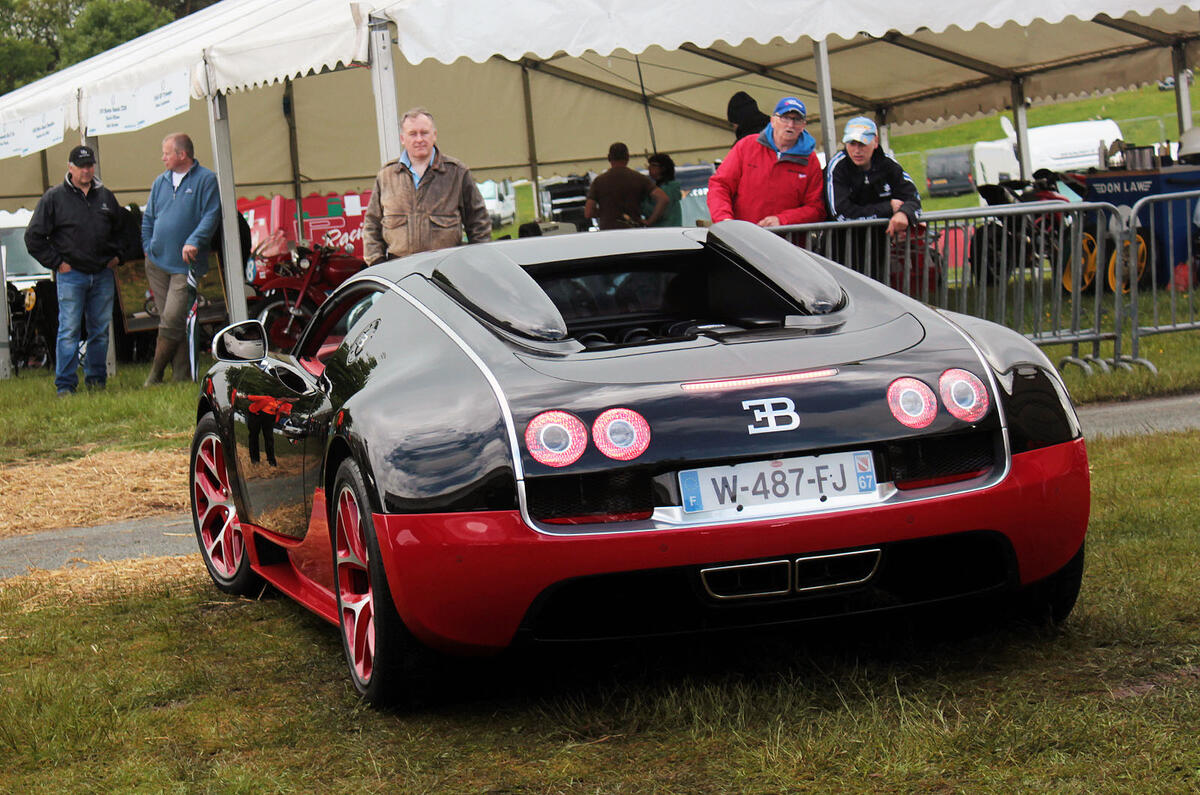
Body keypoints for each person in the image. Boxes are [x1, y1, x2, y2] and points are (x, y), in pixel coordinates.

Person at [24, 144, 124, 396]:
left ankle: (96, 383)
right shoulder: (54, 198)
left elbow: (124, 230)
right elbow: (33, 237)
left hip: (102, 273)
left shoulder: (106, 197)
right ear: (70, 168)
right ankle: (65, 386)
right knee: (68, 330)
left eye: (90, 165)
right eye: (81, 166)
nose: (87, 170)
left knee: (100, 331)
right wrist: (57, 263)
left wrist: (117, 256)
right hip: (71, 275)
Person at [141, 132, 222, 385]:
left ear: (182, 155)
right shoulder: (160, 181)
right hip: (157, 262)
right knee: (169, 317)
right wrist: (147, 245)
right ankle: (180, 374)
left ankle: (155, 373)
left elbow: (211, 215)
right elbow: (149, 217)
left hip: (184, 264)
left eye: (166, 153)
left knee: (174, 317)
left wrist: (194, 240)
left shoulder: (206, 180)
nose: (162, 157)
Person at [363, 107, 491, 266]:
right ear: (403, 138)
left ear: (434, 135)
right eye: (412, 134)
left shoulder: (457, 173)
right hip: (399, 272)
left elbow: (479, 222)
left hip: (446, 271)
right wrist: (377, 263)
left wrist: (476, 262)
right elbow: (371, 225)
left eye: (424, 133)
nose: (419, 139)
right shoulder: (387, 176)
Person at [824, 116, 922, 277]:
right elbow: (841, 214)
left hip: (878, 249)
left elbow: (913, 197)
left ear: (875, 142)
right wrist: (888, 208)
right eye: (851, 144)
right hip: (839, 251)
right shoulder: (837, 167)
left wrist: (904, 213)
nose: (857, 150)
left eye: (862, 144)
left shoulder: (889, 165)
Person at [707, 97, 826, 228]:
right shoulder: (746, 146)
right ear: (773, 120)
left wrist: (782, 220)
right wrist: (724, 220)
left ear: (803, 126)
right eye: (785, 118)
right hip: (741, 240)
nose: (790, 125)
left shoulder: (811, 160)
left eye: (797, 120)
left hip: (788, 243)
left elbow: (816, 208)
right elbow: (719, 185)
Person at [584, 142, 669, 230]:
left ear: (609, 158)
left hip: (608, 232)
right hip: (633, 230)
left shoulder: (599, 181)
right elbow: (663, 198)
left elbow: (588, 212)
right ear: (627, 157)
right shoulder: (639, 178)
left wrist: (606, 213)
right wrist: (650, 221)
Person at [642, 153, 683, 227]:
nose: (649, 168)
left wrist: (642, 203)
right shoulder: (667, 187)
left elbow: (658, 211)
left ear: (663, 168)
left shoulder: (668, 189)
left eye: (653, 165)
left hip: (664, 230)